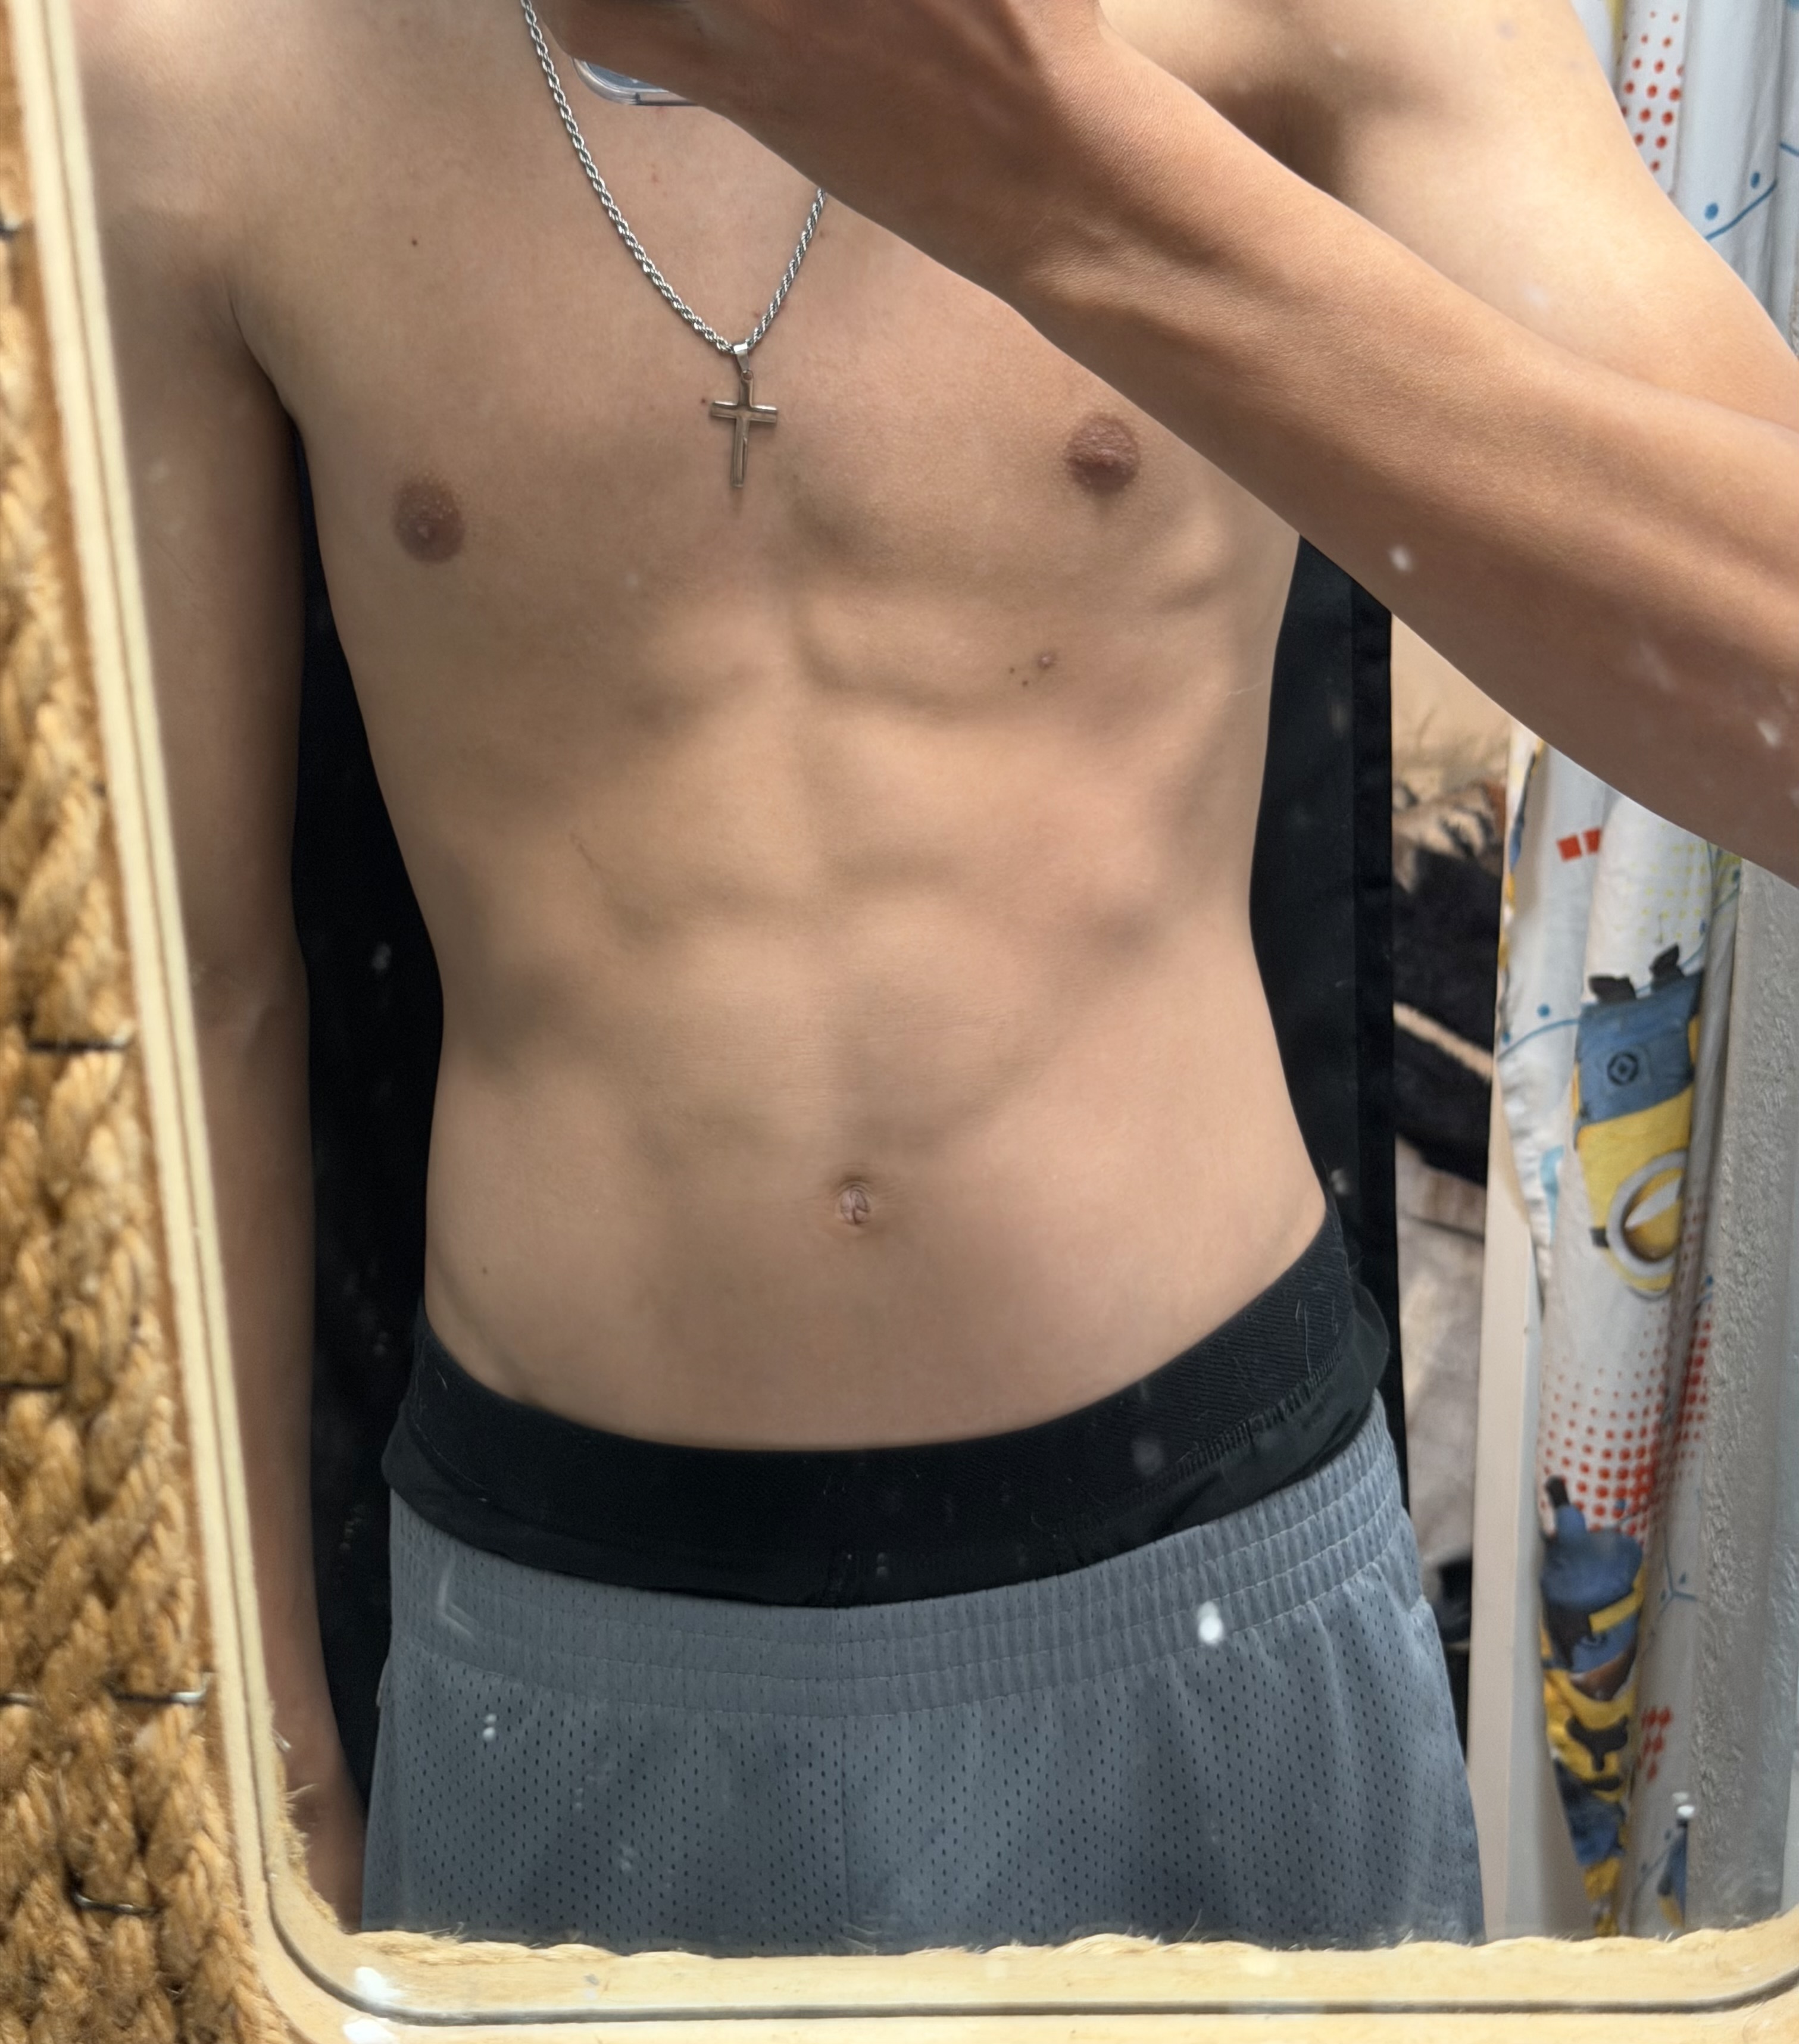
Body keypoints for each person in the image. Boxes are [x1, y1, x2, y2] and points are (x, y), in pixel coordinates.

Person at [77, 0, 1795, 1955]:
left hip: (1214, 1580)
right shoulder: (190, 68)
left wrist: (1053, 168)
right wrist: (253, 1750)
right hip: (561, 1611)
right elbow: (183, 979)